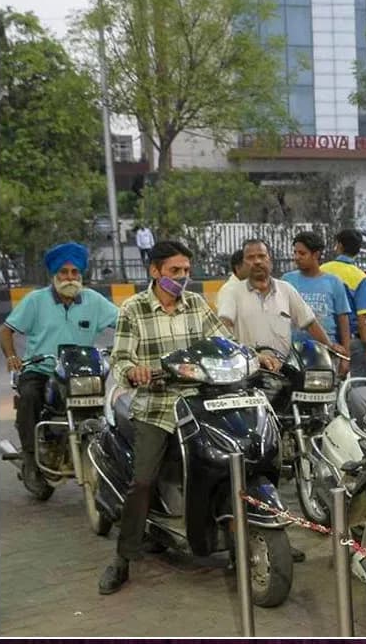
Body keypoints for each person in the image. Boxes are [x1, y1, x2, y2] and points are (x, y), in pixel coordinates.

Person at [98, 240, 230, 595]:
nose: (183, 277)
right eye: (175, 271)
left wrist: (251, 356)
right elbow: (121, 359)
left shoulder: (197, 304)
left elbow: (222, 341)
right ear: (155, 271)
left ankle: (253, 532)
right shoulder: (133, 309)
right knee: (142, 481)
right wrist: (134, 372)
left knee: (231, 461)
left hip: (198, 403)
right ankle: (123, 558)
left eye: (186, 270)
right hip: (156, 408)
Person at [0, 242, 119, 492]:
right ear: (54, 275)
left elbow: (124, 324)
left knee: (109, 407)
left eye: (75, 273)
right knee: (30, 396)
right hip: (41, 370)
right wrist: (11, 356)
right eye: (64, 273)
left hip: (79, 371)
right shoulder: (36, 300)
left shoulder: (94, 301)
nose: (70, 278)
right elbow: (6, 330)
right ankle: (31, 462)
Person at [217, 239, 341, 361]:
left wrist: (330, 348)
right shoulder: (232, 292)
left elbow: (310, 323)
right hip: (249, 368)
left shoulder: (286, 289)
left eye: (261, 256)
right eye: (250, 257)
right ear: (244, 263)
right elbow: (223, 329)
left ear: (269, 260)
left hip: (283, 369)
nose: (257, 261)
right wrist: (252, 356)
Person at [282, 232, 352, 377]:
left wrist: (346, 356)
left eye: (302, 253)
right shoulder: (287, 281)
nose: (297, 257)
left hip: (327, 352)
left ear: (316, 255)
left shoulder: (333, 282)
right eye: (295, 252)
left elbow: (343, 320)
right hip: (293, 352)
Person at [321, 229, 366, 376]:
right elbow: (362, 321)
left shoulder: (322, 270)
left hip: (322, 338)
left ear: (339, 246)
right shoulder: (360, 278)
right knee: (357, 389)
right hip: (351, 343)